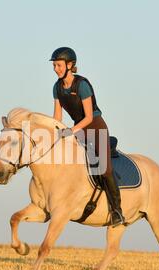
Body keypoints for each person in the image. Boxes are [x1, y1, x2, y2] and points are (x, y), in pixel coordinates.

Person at [50, 47, 126, 227]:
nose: (56, 69)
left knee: (104, 169)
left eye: (59, 65)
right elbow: (57, 117)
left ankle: (117, 212)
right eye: (54, 65)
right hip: (78, 128)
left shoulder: (82, 84)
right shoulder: (57, 88)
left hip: (95, 126)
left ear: (70, 65)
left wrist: (71, 131)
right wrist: (54, 133)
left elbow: (89, 117)